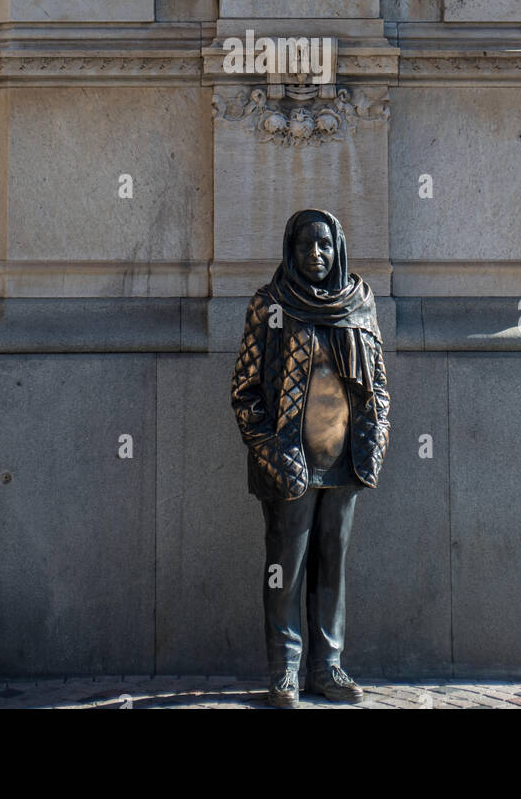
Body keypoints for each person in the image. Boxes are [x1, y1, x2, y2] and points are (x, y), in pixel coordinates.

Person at [231, 208, 391, 707]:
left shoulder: (359, 304)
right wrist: (270, 450)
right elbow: (245, 390)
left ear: (337, 248)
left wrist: (377, 437)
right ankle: (285, 671)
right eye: (305, 246)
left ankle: (329, 667)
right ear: (290, 249)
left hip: (347, 459)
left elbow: (378, 385)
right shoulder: (271, 305)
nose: (315, 254)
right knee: (286, 567)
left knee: (331, 564)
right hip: (289, 462)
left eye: (324, 245)